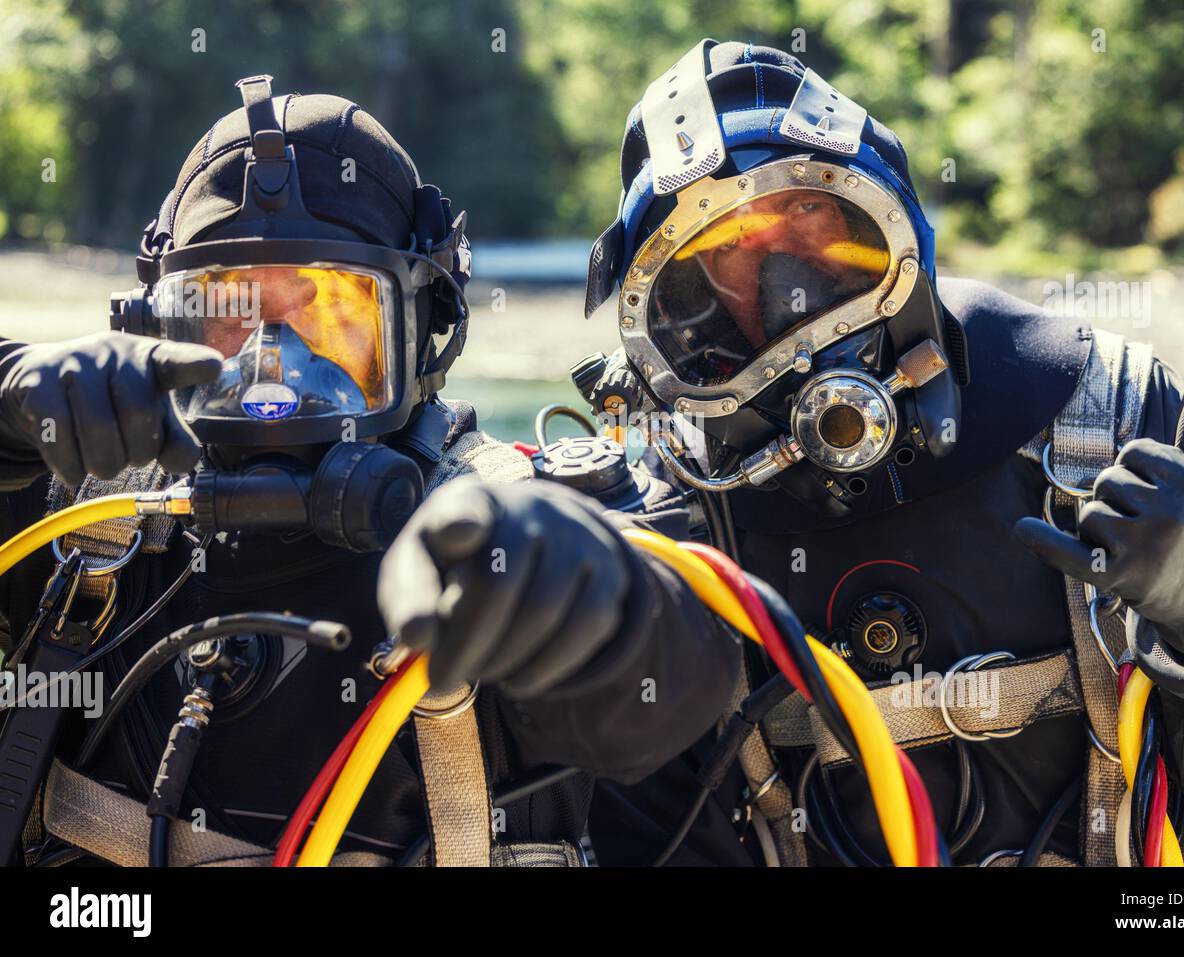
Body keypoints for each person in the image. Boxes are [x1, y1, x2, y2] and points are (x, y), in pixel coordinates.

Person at [579, 41, 1184, 866]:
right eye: (724, 258)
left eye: (811, 216)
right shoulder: (676, 539)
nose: (788, 292)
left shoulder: (1125, 417)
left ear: (898, 221)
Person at [0, 75, 738, 867]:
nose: (275, 367)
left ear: (423, 332)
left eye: (331, 312)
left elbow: (677, 697)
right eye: (232, 309)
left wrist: (603, 609)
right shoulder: (81, 523)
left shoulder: (509, 535)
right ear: (157, 321)